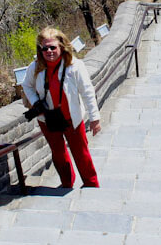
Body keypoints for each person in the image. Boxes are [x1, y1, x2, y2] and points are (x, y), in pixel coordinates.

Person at [21, 27, 101, 188]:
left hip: (72, 118)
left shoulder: (74, 66)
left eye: (53, 47)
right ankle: (66, 183)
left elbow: (87, 91)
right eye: (45, 48)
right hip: (48, 118)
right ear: (40, 49)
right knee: (58, 154)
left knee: (81, 154)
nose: (49, 51)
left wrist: (95, 118)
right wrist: (36, 102)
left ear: (61, 46)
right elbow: (27, 86)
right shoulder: (36, 66)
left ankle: (91, 184)